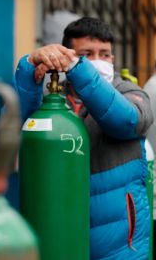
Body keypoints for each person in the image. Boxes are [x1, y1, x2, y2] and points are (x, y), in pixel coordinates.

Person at [14, 17, 153, 259]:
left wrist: (81, 69)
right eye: (87, 54)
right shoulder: (52, 103)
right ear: (69, 55)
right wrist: (29, 69)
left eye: (105, 54)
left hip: (121, 243)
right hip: (60, 235)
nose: (99, 61)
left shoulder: (129, 93)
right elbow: (15, 125)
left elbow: (127, 121)